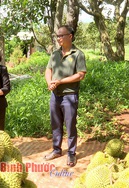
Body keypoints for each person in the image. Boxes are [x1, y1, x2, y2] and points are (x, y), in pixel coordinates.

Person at [44, 25, 87, 167]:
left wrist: (61, 81)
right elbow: (48, 70)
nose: (59, 38)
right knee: (55, 124)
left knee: (70, 125)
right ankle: (56, 150)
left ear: (70, 36)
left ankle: (71, 153)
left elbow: (80, 75)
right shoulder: (55, 54)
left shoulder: (78, 54)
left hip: (69, 95)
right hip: (55, 95)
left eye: (62, 35)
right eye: (57, 36)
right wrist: (50, 82)